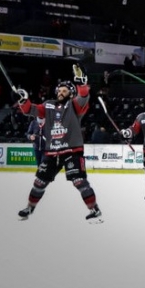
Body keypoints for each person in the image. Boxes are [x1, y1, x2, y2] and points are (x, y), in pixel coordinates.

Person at [15, 65, 102, 222]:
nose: (61, 92)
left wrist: (81, 82)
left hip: (72, 150)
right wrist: (23, 101)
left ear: (71, 93)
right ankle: (29, 207)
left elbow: (83, 94)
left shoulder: (74, 105)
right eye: (59, 90)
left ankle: (94, 209)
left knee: (79, 181)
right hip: (52, 152)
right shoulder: (48, 105)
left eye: (65, 90)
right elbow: (31, 110)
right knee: (39, 182)